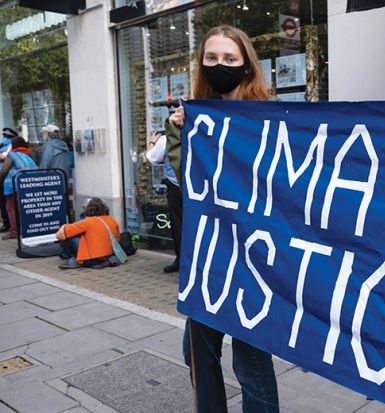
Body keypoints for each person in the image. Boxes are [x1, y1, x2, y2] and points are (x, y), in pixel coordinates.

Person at [167, 25, 279, 413]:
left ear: (246, 65)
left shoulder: (268, 117)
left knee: (250, 364)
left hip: (252, 261)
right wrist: (183, 134)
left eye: (230, 59)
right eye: (212, 58)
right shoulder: (192, 119)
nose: (220, 66)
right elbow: (190, 186)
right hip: (209, 257)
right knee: (195, 353)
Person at [145, 129, 182, 273]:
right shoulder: (195, 133)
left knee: (179, 225)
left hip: (176, 187)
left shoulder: (165, 139)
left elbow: (149, 158)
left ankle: (181, 260)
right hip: (196, 187)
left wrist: (152, 142)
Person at [55, 197, 120, 269]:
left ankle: (73, 258)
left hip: (92, 260)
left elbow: (61, 234)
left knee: (71, 237)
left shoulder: (88, 221)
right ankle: (107, 260)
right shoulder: (112, 219)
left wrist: (64, 227)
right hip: (110, 254)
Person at [0, 136, 37, 240]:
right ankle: (27, 228)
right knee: (25, 207)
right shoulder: (28, 154)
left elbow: (4, 170)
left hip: (14, 185)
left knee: (10, 207)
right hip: (30, 184)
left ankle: (15, 231)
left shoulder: (12, 155)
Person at [0, 128, 15, 232]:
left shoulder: (11, 146)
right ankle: (6, 223)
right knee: (3, 202)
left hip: (5, 177)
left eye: (7, 136)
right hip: (3, 176)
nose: (5, 138)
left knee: (6, 203)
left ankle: (8, 224)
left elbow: (4, 157)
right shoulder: (2, 145)